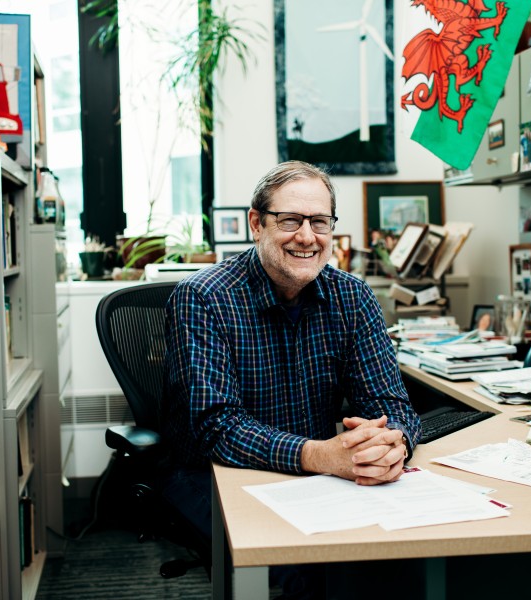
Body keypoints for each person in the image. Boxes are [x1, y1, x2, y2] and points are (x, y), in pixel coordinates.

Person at [161, 160, 421, 596]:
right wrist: (321, 455)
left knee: (388, 557)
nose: (306, 236)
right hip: (209, 472)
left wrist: (393, 444)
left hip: (313, 473)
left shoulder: (352, 297)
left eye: (319, 221)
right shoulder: (203, 298)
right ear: (256, 224)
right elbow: (217, 429)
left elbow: (392, 404)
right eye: (290, 221)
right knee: (296, 573)